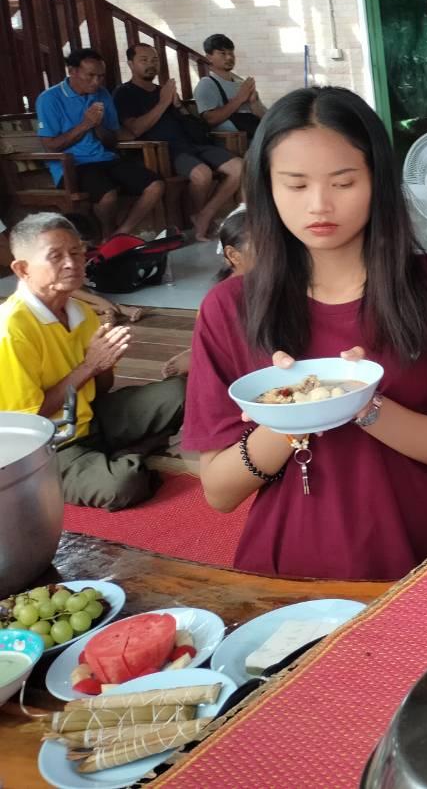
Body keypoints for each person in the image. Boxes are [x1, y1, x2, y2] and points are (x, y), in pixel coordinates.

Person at [182, 87, 427, 580]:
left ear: (377, 181)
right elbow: (219, 492)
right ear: (266, 188)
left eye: (344, 182)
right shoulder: (229, 308)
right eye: (294, 184)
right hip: (290, 570)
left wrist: (362, 404)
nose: (319, 205)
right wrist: (296, 411)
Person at [0, 213, 185, 510]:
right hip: (48, 446)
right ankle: (124, 457)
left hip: (91, 419)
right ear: (23, 269)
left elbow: (100, 391)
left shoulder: (82, 313)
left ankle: (118, 454)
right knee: (122, 485)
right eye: (55, 256)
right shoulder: (11, 329)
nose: (72, 263)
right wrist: (89, 366)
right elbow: (29, 421)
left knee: (181, 392)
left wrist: (105, 362)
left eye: (76, 252)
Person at [114, 44, 243, 242]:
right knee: (202, 175)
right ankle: (198, 217)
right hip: (166, 151)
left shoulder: (164, 91)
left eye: (155, 60)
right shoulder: (124, 93)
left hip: (192, 145)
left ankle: (204, 214)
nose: (151, 64)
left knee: (239, 168)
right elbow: (135, 129)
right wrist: (163, 102)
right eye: (144, 60)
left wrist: (178, 106)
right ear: (131, 64)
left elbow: (195, 128)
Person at [36, 49, 164, 238]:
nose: (96, 82)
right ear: (72, 71)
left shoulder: (102, 94)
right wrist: (85, 124)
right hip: (73, 164)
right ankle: (107, 235)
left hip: (105, 158)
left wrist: (98, 126)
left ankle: (121, 233)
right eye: (90, 76)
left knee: (156, 186)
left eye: (100, 76)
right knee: (107, 196)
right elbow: (51, 146)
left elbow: (111, 141)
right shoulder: (49, 99)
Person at [161, 207, 253, 380]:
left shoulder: (280, 283)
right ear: (233, 255)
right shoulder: (219, 299)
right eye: (264, 248)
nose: (275, 255)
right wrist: (198, 353)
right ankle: (199, 356)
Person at [195, 33, 266, 139]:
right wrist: (239, 99)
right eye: (222, 53)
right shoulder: (207, 84)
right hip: (234, 142)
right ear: (209, 57)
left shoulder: (241, 83)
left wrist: (254, 103)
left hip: (257, 134)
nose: (229, 57)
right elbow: (210, 120)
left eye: (231, 53)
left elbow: (265, 117)